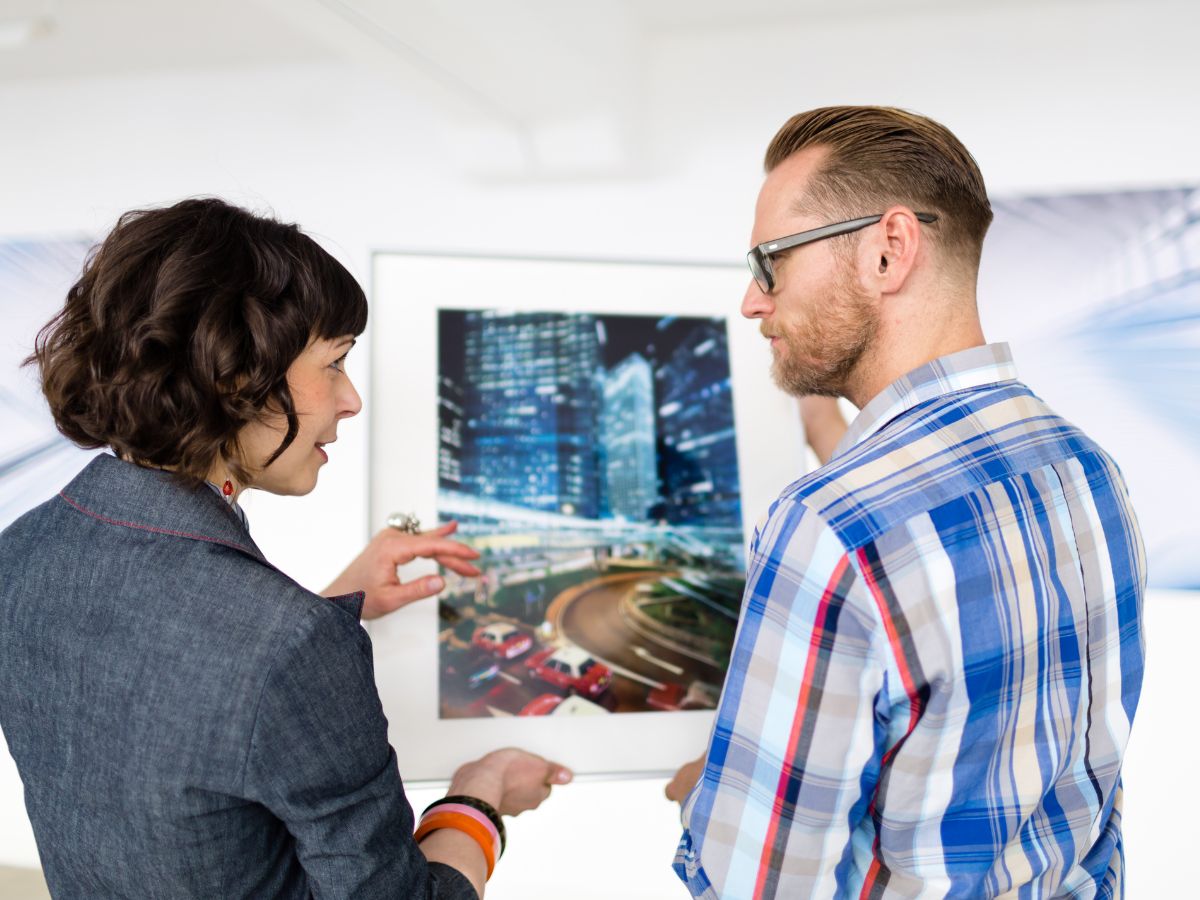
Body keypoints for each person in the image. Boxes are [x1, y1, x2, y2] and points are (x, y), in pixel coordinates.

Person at [0, 198, 571, 899]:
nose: (351, 398)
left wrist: (330, 605)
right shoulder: (287, 643)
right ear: (234, 374)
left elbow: (160, 713)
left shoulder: (23, 553)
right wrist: (477, 800)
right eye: (333, 364)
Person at [669, 107, 1146, 897]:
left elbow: (756, 886)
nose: (754, 303)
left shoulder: (827, 528)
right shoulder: (1087, 472)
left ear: (890, 251)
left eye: (770, 262)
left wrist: (711, 802)